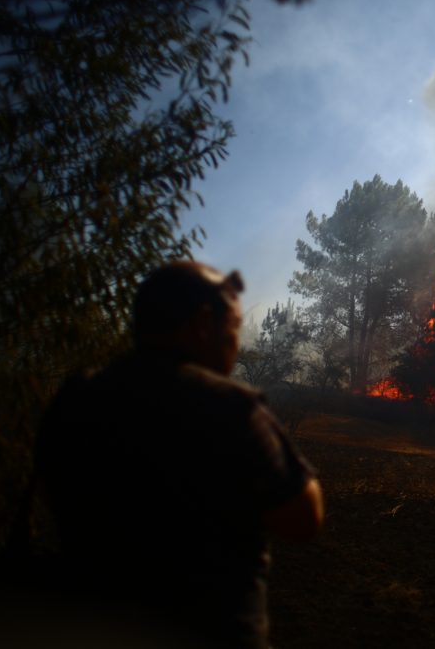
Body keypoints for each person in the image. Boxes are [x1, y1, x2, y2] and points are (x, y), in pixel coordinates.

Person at [34, 261, 323, 648]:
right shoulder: (229, 407)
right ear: (204, 323)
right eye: (234, 329)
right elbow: (303, 520)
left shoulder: (76, 398)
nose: (235, 346)